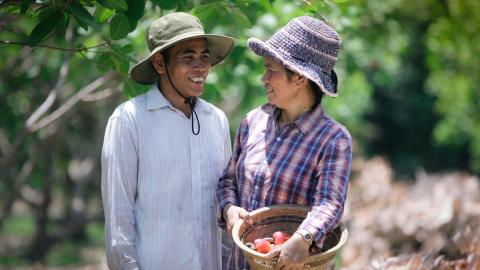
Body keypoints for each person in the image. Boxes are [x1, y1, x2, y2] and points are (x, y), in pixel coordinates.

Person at [216, 15, 352, 270]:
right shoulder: (253, 122)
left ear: (299, 78)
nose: (263, 78)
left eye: (270, 69)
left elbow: (330, 202)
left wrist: (303, 238)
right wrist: (229, 208)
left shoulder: (333, 139)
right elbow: (228, 180)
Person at [101, 12, 234, 270]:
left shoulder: (216, 120)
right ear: (160, 64)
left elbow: (224, 201)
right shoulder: (129, 120)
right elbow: (119, 218)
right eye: (188, 57)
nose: (201, 67)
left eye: (204, 57)